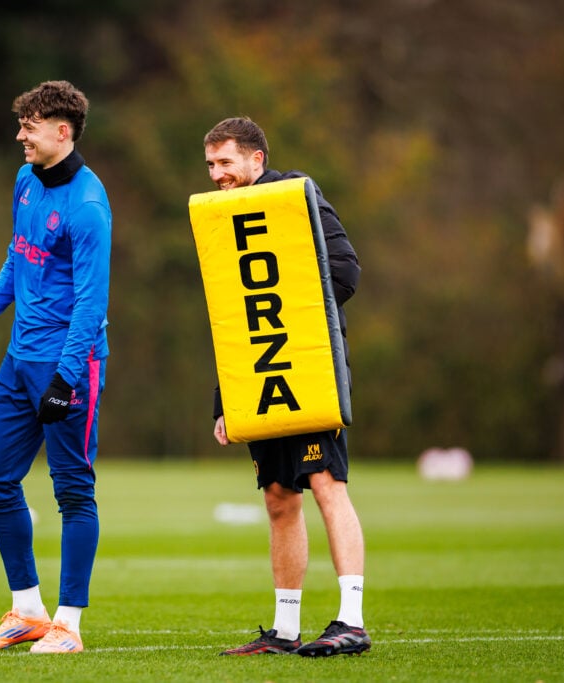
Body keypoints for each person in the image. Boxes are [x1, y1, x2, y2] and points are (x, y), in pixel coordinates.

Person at [202, 117, 370, 658]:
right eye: (210, 165)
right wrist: (226, 401)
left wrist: (291, 323)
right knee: (278, 497)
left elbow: (344, 274)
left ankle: (351, 620)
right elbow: (233, 317)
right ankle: (284, 630)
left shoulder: (296, 194)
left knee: (325, 483)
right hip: (258, 381)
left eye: (226, 162)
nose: (217, 174)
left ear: (256, 160)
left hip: (307, 371)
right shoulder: (221, 219)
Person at [0, 80, 112, 655]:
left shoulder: (89, 207)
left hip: (69, 364)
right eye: (21, 123)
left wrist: (66, 377)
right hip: (19, 358)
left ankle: (68, 624)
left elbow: (92, 306)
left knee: (73, 490)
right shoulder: (25, 181)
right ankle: (26, 610)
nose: (20, 134)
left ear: (62, 132)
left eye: (31, 125)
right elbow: (18, 257)